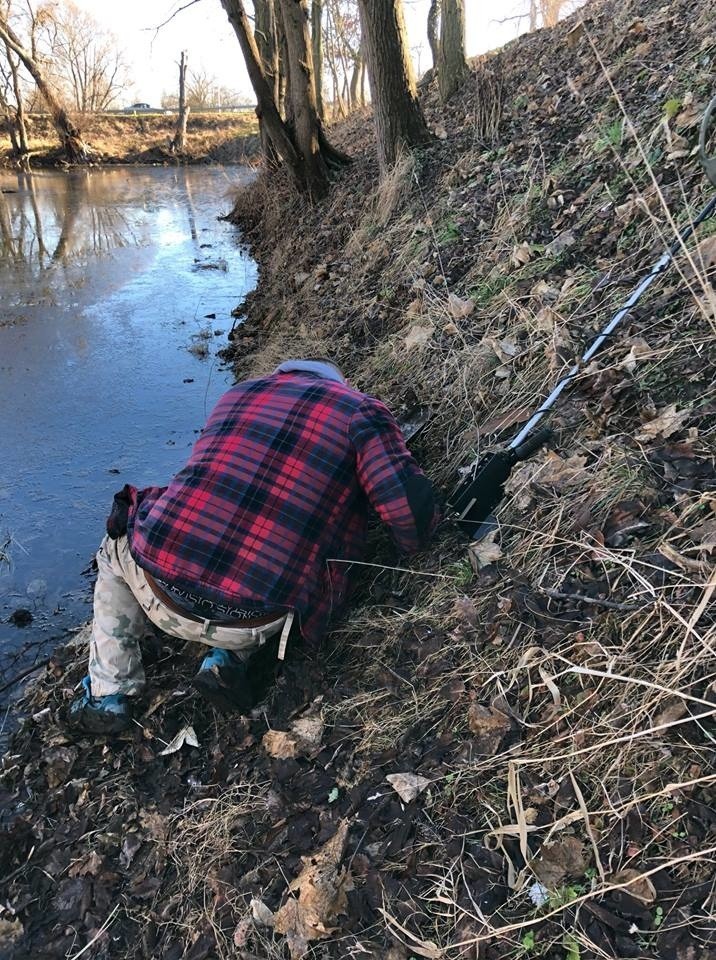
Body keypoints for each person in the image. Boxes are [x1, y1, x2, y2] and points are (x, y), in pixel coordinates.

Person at [70, 359, 437, 733]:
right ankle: (226, 659)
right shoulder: (359, 409)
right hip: (257, 618)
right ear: (341, 382)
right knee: (267, 554)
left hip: (160, 595)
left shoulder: (237, 393)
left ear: (282, 374)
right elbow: (407, 521)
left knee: (113, 546)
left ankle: (108, 693)